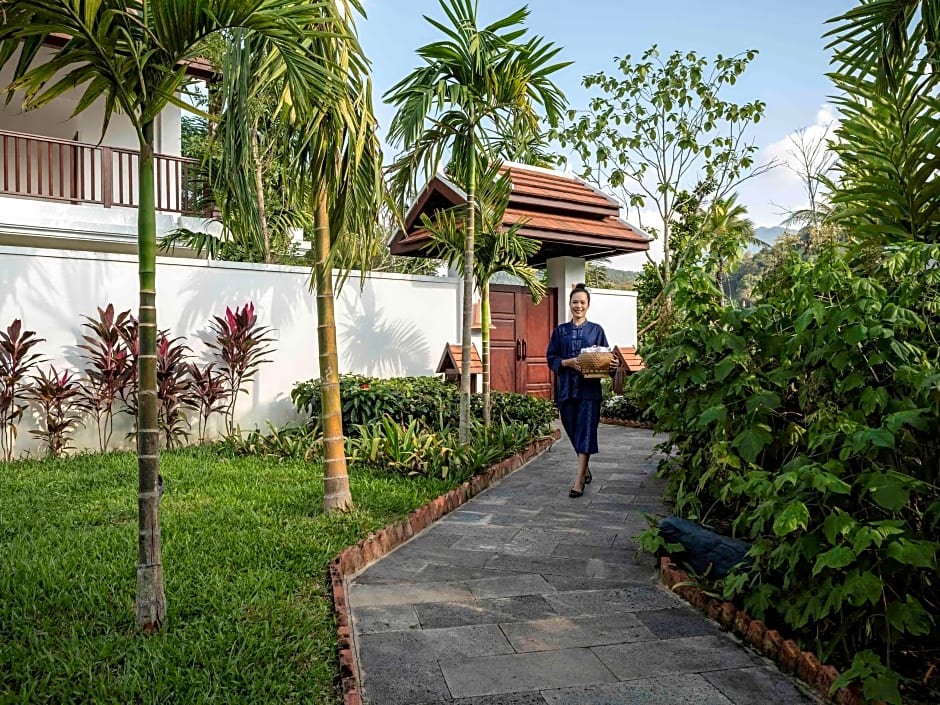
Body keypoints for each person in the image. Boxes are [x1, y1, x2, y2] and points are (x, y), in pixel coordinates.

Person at [546, 283, 617, 497]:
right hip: (567, 389)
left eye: (582, 302)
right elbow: (551, 357)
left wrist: (612, 364)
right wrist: (568, 362)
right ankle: (585, 468)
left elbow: (606, 358)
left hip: (589, 391)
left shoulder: (596, 330)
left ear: (588, 305)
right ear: (570, 304)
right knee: (571, 429)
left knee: (586, 431)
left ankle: (579, 481)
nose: (579, 306)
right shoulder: (560, 331)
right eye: (575, 302)